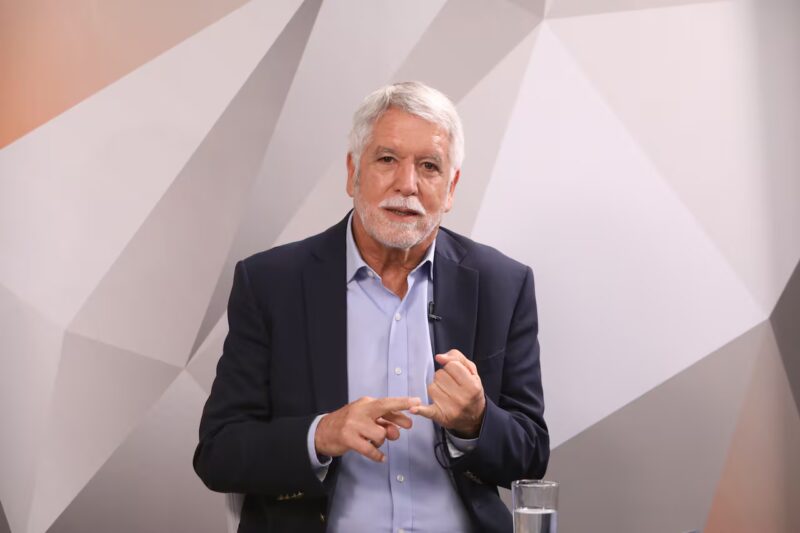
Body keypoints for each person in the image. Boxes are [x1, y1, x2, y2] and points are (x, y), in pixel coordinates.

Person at [193, 81, 549, 532]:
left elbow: (531, 456)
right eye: (387, 159)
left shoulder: (503, 285)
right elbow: (219, 452)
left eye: (429, 166)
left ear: (451, 187)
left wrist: (477, 421)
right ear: (353, 173)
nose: (407, 184)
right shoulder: (270, 284)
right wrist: (322, 433)